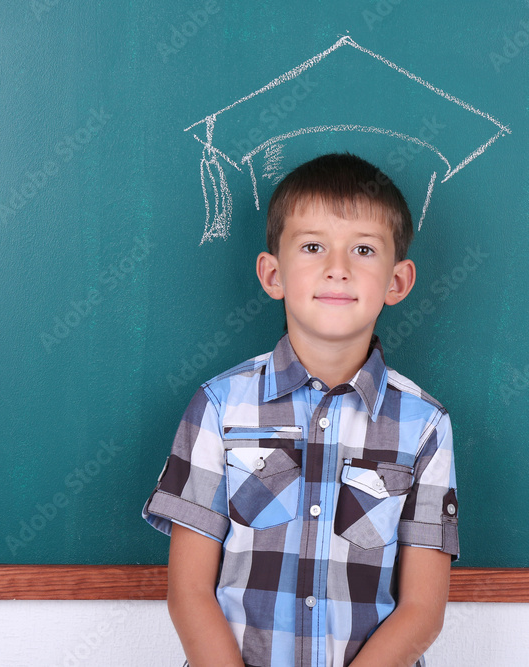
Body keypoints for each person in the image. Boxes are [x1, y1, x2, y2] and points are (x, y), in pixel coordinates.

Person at [143, 153, 459, 667]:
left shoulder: (424, 425)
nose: (338, 268)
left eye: (363, 249)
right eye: (313, 247)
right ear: (273, 274)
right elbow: (189, 592)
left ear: (397, 282)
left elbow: (422, 610)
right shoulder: (220, 407)